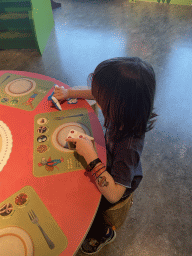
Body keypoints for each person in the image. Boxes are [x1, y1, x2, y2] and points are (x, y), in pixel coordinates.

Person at [54, 57, 158, 254]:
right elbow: (96, 93)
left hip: (117, 185)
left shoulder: (128, 146)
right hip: (109, 160)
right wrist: (69, 93)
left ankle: (104, 234)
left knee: (87, 206)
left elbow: (114, 194)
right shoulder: (129, 112)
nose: (96, 96)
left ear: (117, 105)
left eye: (101, 97)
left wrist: (91, 156)